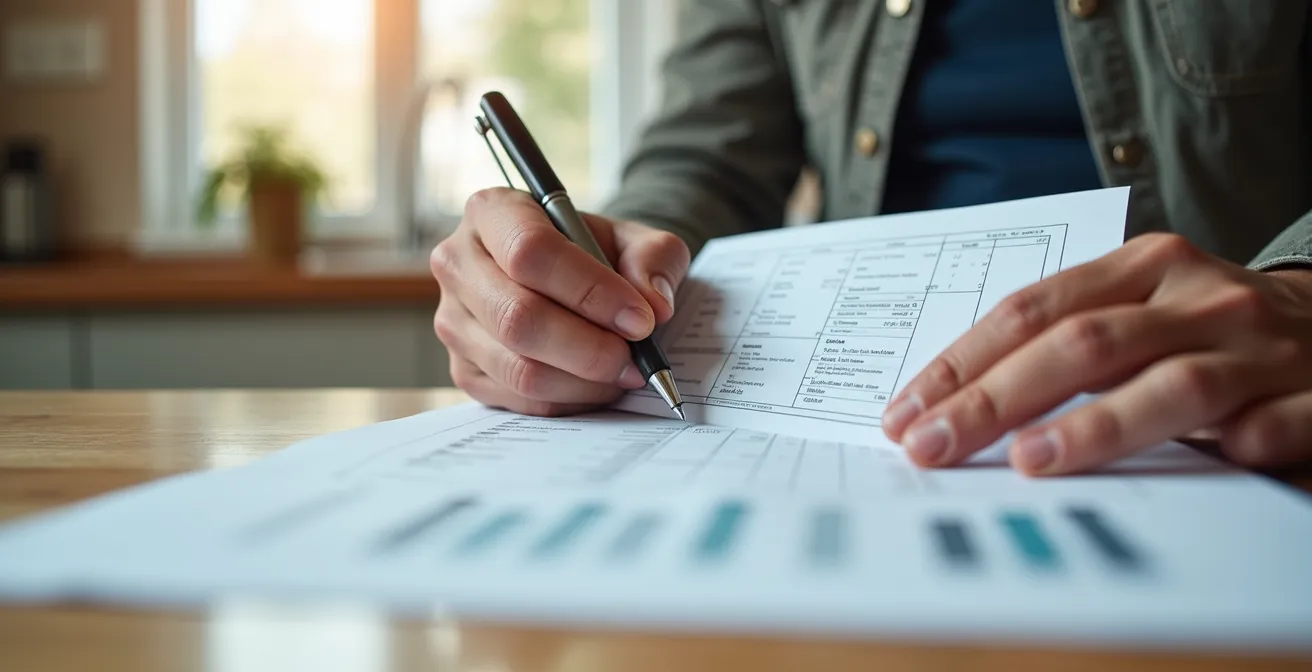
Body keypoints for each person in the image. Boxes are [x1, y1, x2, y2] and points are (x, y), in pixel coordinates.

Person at [430, 0, 1312, 476]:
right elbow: (704, 162)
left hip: (1234, 422)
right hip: (857, 433)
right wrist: (589, 265)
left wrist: (1299, 286)